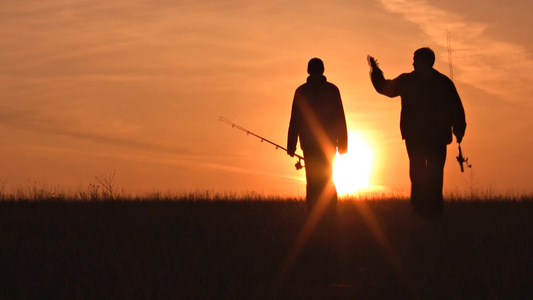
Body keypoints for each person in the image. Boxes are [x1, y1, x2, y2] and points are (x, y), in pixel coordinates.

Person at [368, 48, 466, 217]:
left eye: (416, 59)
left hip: (437, 137)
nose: (413, 63)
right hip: (415, 137)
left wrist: (459, 129)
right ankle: (419, 212)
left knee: (435, 175)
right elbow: (386, 88)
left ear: (427, 62)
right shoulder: (408, 80)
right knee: (417, 173)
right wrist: (375, 71)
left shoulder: (443, 83)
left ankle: (434, 214)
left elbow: (455, 106)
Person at [287, 58, 348, 218]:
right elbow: (295, 118)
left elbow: (340, 117)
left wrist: (342, 144)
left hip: (328, 143)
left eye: (317, 70)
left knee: (327, 177)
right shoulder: (301, 91)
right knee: (313, 180)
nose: (315, 73)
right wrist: (291, 144)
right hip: (309, 143)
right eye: (313, 70)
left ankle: (330, 212)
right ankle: (313, 213)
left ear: (322, 71)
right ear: (309, 71)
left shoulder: (332, 90)